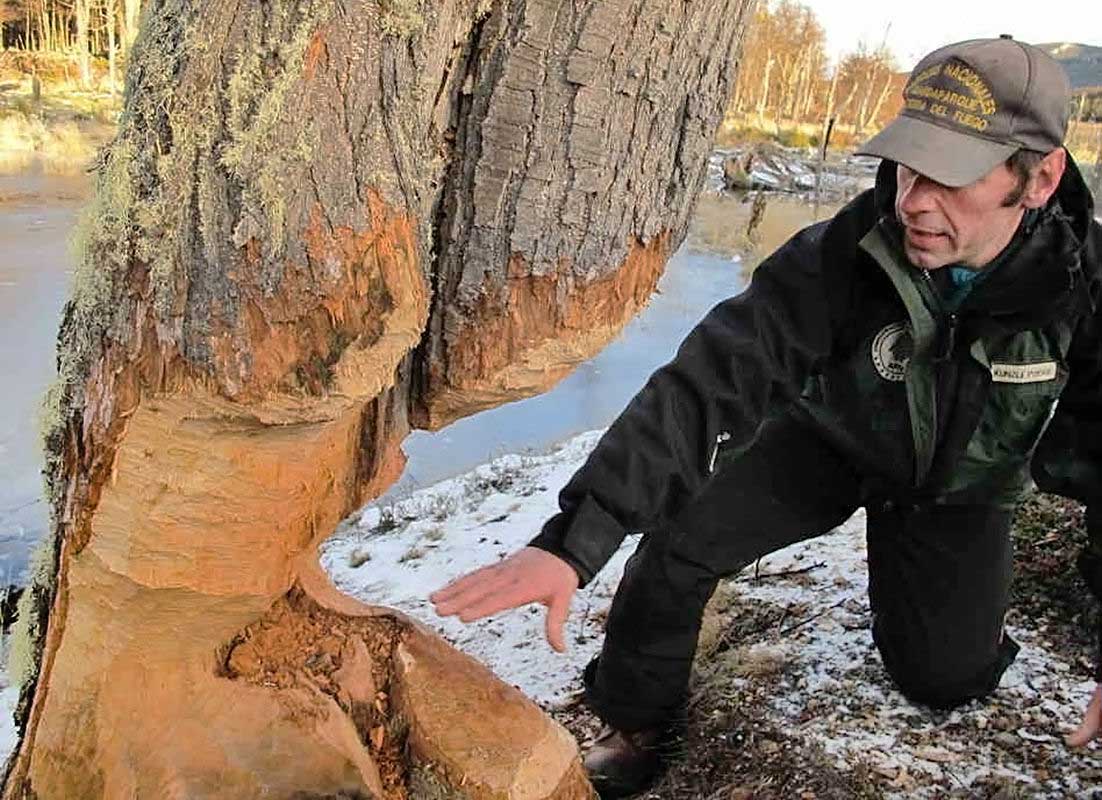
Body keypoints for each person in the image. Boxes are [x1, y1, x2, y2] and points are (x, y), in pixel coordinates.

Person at [432, 36, 1102, 796]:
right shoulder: (847, 251)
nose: (915, 201)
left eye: (951, 178)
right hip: (832, 437)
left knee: (947, 679)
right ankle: (633, 720)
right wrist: (574, 540)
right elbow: (708, 383)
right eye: (911, 166)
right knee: (678, 541)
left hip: (961, 484)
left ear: (1039, 178)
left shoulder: (1083, 285)